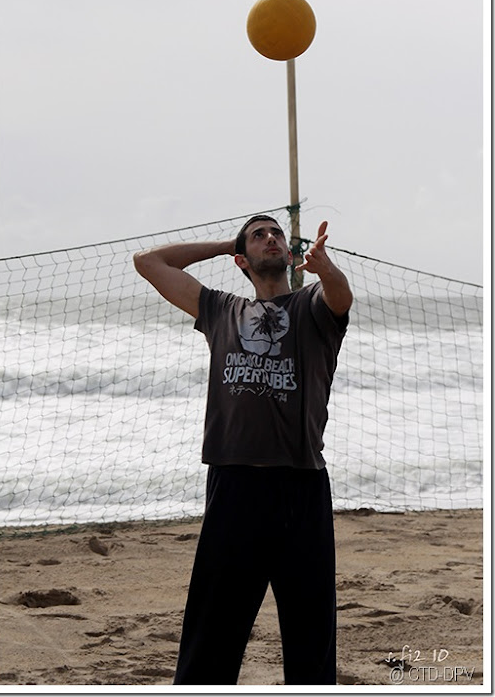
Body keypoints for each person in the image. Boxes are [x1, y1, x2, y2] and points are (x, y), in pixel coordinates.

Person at [133, 214, 353, 686]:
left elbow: (341, 297)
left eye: (276, 234)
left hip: (302, 487)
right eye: (259, 235)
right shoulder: (219, 309)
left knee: (311, 641)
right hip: (235, 486)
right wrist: (224, 244)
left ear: (291, 257)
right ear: (242, 259)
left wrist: (325, 268)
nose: (271, 238)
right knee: (211, 640)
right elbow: (148, 262)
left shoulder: (312, 304)